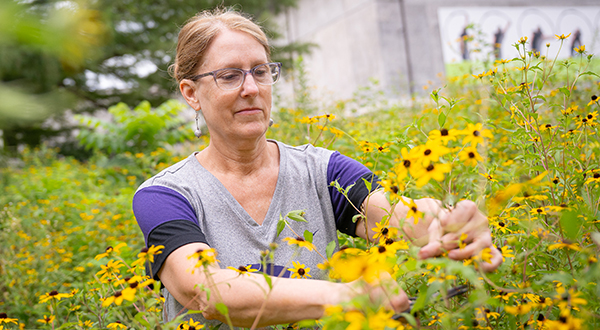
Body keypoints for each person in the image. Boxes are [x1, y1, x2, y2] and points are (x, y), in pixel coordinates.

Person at [132, 8, 503, 328]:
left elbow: (394, 214)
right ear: (191, 93)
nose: (251, 88)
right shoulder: (165, 196)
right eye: (229, 76)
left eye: (260, 71)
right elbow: (206, 291)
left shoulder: (321, 170)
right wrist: (348, 296)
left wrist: (449, 226)